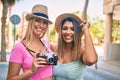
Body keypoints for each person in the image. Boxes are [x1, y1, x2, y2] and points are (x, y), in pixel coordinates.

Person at [7, 4, 54, 80]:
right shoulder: (19, 47)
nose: (41, 25)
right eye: (37, 20)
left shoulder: (47, 44)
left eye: (45, 22)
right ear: (31, 22)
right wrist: (31, 71)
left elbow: (65, 48)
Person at [53, 13, 98, 80]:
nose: (68, 32)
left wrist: (86, 30)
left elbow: (91, 60)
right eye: (65, 28)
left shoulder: (81, 50)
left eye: (73, 29)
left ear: (77, 32)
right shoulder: (55, 49)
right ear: (60, 31)